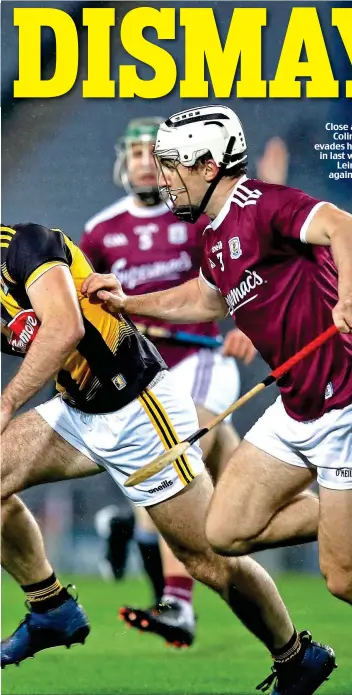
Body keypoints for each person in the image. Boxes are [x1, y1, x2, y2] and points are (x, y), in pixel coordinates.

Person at [82, 105, 352, 683]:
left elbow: (349, 229)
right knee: (224, 531)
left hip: (351, 399)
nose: (161, 178)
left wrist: (351, 292)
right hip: (297, 404)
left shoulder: (262, 204)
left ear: (209, 166)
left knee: (346, 579)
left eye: (172, 166)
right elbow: (205, 300)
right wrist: (127, 304)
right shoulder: (210, 234)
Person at [0, 222, 338, 695]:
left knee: (208, 559)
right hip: (76, 412)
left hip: (140, 408)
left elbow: (64, 327)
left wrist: (8, 400)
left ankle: (298, 656)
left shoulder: (23, 246)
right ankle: (51, 608)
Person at [80, 117, 256, 646]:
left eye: (150, 155)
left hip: (198, 362)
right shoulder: (100, 231)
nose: (141, 163)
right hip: (141, 371)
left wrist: (245, 324)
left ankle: (176, 601)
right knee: (240, 488)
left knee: (171, 456)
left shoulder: (198, 222)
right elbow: (83, 303)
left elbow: (241, 275)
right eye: (133, 153)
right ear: (123, 162)